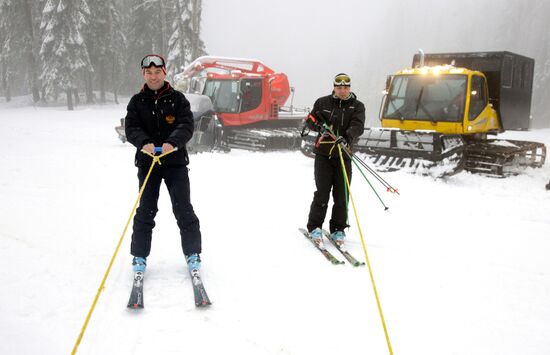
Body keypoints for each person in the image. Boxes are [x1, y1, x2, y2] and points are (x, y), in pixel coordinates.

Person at [125, 54, 202, 274]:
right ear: (144, 74)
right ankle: (139, 256)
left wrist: (172, 143)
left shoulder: (178, 99)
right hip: (148, 164)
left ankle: (193, 252)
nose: (153, 76)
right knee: (146, 210)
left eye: (157, 72)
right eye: (149, 73)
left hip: (175, 163)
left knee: (183, 208)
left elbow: (186, 125)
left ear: (164, 72)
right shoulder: (137, 101)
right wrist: (145, 143)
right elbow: (132, 128)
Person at [305, 73, 365, 246]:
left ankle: (338, 229)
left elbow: (358, 126)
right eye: (339, 88)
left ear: (350, 88)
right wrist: (318, 127)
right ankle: (315, 227)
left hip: (343, 155)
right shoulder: (322, 102)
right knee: (322, 192)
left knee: (342, 194)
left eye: (346, 88)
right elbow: (310, 120)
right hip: (323, 155)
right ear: (334, 87)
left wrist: (347, 136)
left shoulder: (357, 106)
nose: (342, 91)